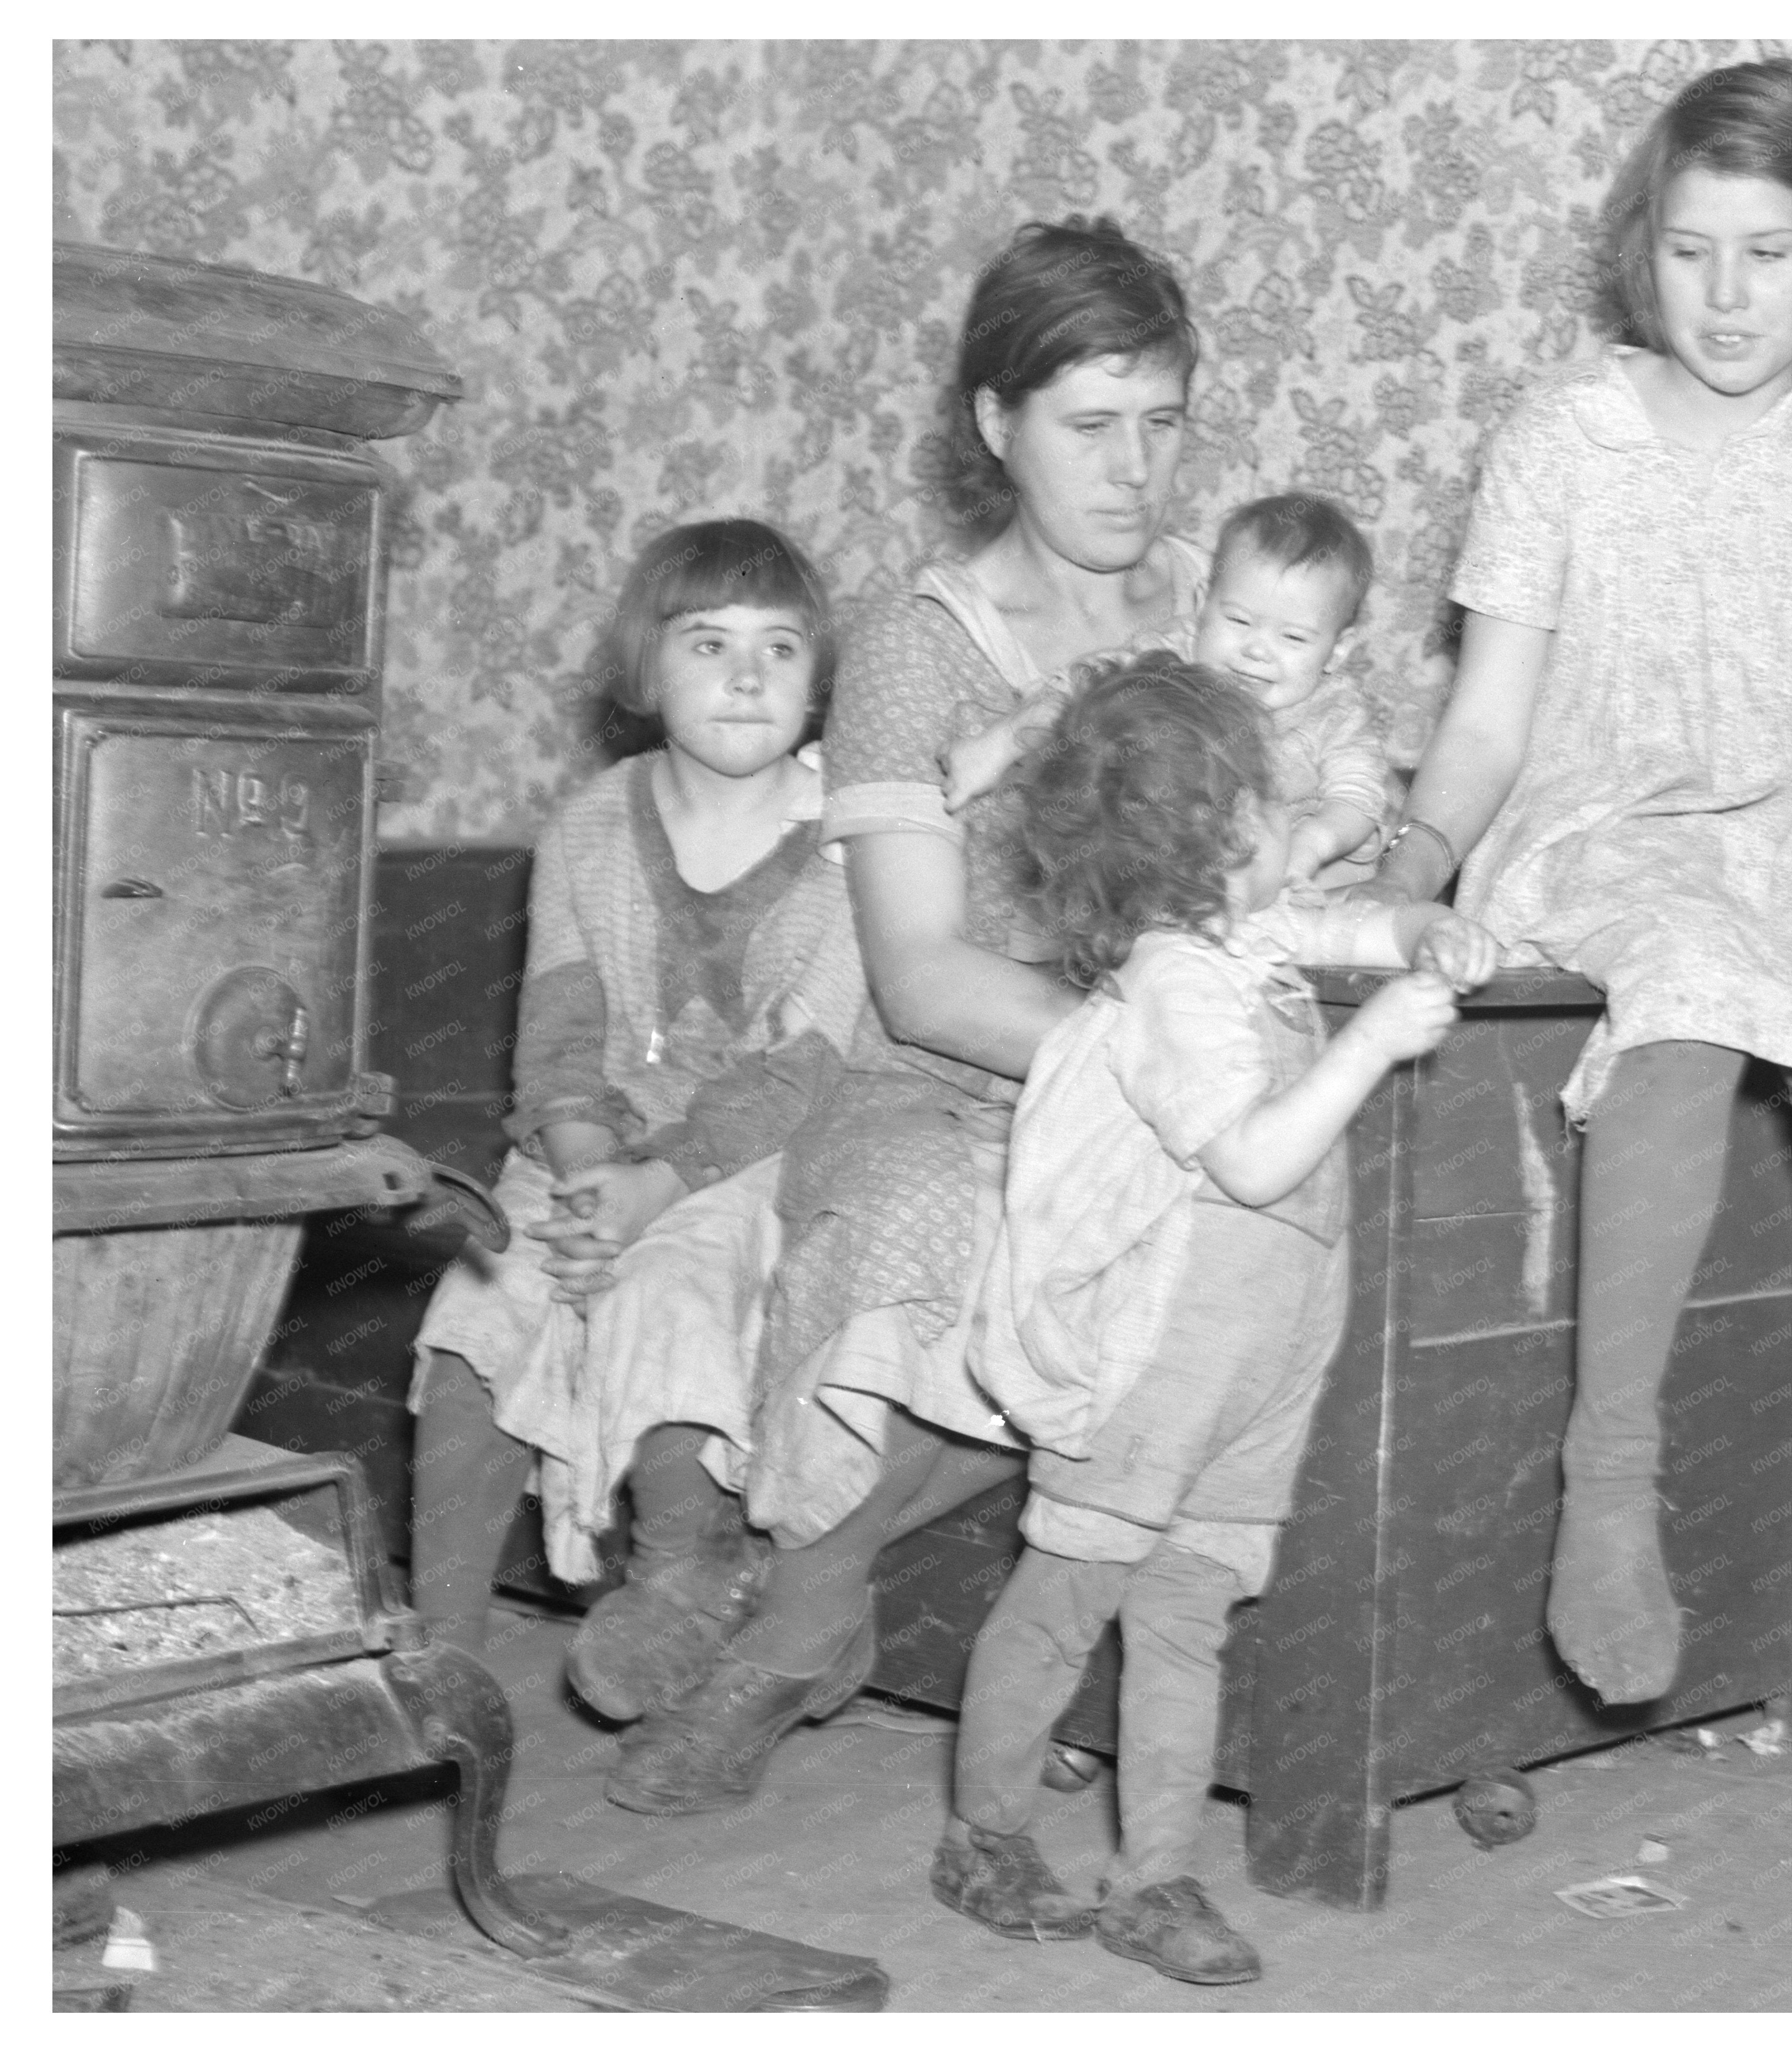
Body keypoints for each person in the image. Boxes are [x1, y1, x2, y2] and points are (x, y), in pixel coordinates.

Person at [1357, 59, 1792, 1772]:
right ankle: (1607, 1482)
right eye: (1694, 250)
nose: (1726, 295)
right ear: (1645, 248)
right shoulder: (1562, 440)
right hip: (1607, 831)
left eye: (1768, 253)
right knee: (1691, 992)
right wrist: (1412, 859)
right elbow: (1486, 720)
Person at [604, 217, 1215, 1815]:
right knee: (932, 1227)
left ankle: (791, 1612)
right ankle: (804, 1616)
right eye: (1093, 425)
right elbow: (924, 974)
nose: (1136, 467)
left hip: (1158, 1086)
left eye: (1164, 421)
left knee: (1159, 1261)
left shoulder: (1224, 620)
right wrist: (1128, 1058)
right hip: (941, 1079)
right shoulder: (908, 649)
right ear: (996, 424)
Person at [932, 655, 1498, 1985]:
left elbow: (1347, 928)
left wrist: (1423, 933)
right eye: (1258, 806)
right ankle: (986, 1830)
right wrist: (1371, 1045)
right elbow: (1250, 1158)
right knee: (1069, 1595)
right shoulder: (1174, 981)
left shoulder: (1240, 931)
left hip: (1261, 1356)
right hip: (1157, 1361)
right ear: (1200, 845)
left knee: (1187, 1612)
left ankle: (1157, 1871)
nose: (1286, 820)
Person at [408, 518, 863, 1723]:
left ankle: (681, 1584)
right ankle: (437, 1658)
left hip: (748, 1161)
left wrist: (653, 1193)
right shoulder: (590, 827)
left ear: (819, 678)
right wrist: (582, 1172)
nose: (749, 674)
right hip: (587, 1150)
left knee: (666, 1299)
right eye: (709, 643)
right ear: (645, 670)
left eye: (780, 646)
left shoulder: (845, 848)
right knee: (485, 1301)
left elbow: (801, 1072)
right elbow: (557, 1034)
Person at [943, 490, 1393, 885]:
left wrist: (1311, 846)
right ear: (1202, 606)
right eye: (1237, 621)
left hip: (1314, 889)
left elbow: (1359, 796)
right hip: (1189, 889)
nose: (1257, 650)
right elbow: (1083, 690)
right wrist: (1001, 743)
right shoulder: (1171, 658)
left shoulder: (1336, 710)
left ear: (1337, 651)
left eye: (1293, 638)